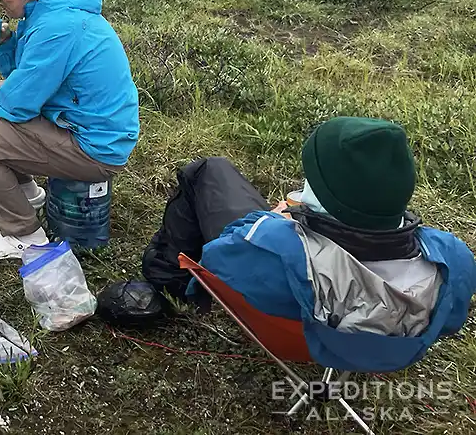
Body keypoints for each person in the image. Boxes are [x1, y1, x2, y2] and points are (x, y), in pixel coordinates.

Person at [143, 117, 474, 372]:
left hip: (296, 335)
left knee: (208, 171)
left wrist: (275, 219)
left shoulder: (273, 249)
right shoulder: (453, 259)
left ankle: (166, 281)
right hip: (383, 347)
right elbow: (449, 321)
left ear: (324, 199)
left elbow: (217, 259)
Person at [0, 0, 140, 260]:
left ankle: (23, 235)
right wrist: (5, 44)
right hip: (76, 121)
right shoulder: (46, 9)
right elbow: (26, 77)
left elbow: (19, 103)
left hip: (94, 149)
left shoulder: (57, 27)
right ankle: (24, 192)